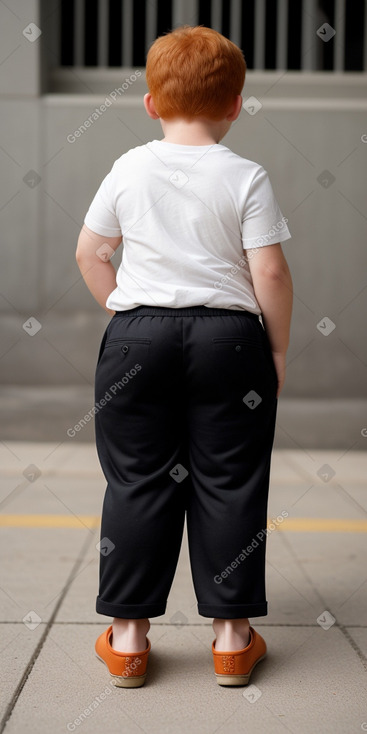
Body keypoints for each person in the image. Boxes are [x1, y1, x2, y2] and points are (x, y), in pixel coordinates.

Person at [76, 24, 293, 688]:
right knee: (229, 480)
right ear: (235, 104)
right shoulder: (245, 176)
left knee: (137, 479)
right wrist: (276, 348)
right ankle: (230, 639)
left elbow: (91, 253)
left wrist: (126, 309)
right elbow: (271, 276)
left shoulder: (128, 167)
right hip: (228, 342)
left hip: (138, 337)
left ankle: (129, 639)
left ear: (149, 103)